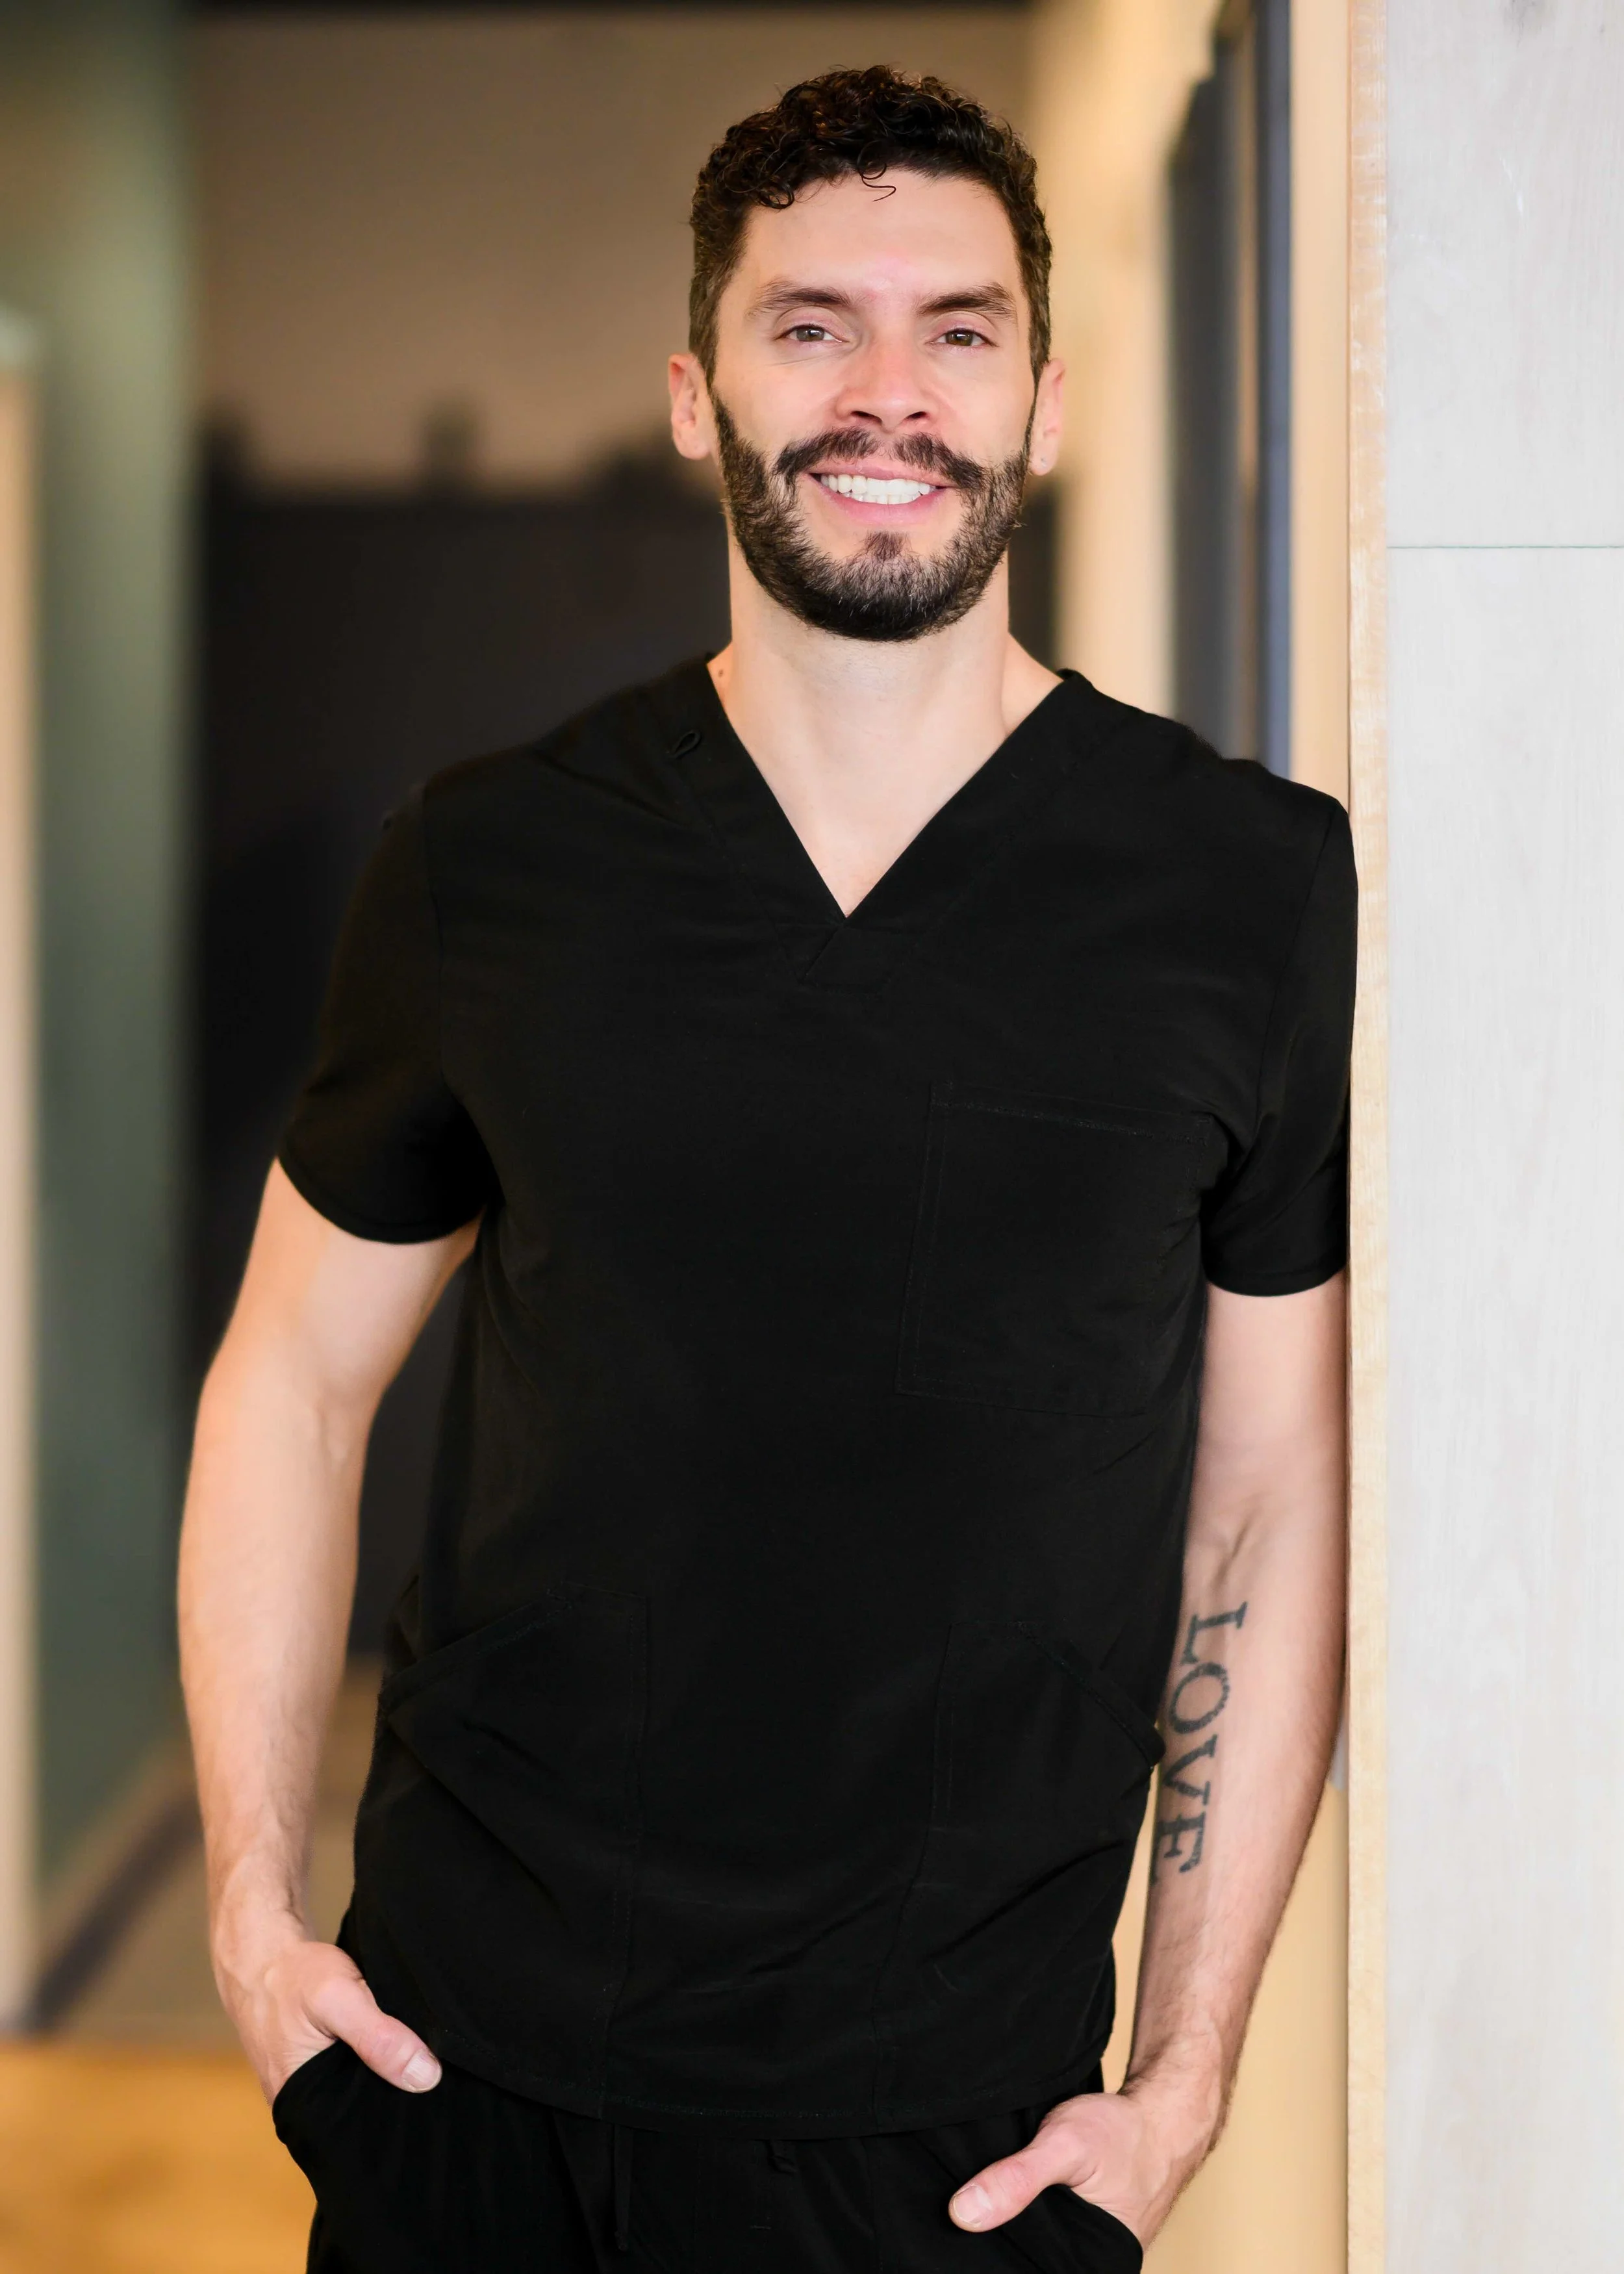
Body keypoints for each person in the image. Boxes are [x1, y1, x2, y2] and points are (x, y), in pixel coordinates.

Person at [179, 66, 1354, 2274]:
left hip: (957, 2140)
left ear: (1047, 393)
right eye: (810, 323)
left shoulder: (1244, 892)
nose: (887, 390)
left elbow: (1274, 1499)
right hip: (470, 2082)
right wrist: (253, 1918)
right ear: (694, 391)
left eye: (959, 327)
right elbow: (288, 1380)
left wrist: (1181, 2077)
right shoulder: (489, 862)